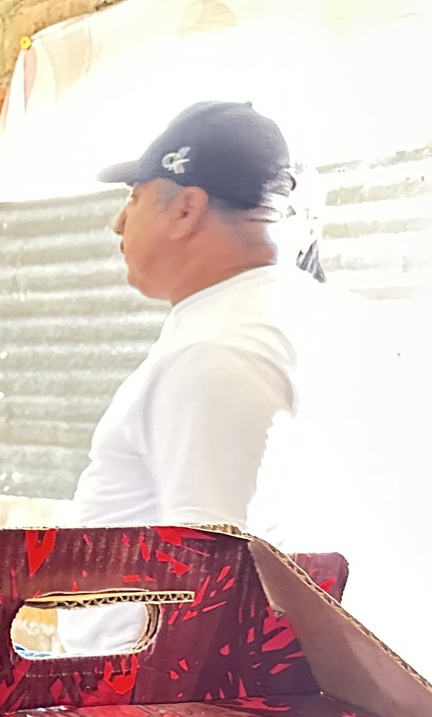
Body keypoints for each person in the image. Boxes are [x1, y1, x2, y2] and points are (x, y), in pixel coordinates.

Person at [55, 100, 324, 654]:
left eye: (134, 198)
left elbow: (210, 602)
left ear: (186, 209)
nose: (118, 222)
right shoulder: (293, 314)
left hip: (132, 689)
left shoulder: (215, 351)